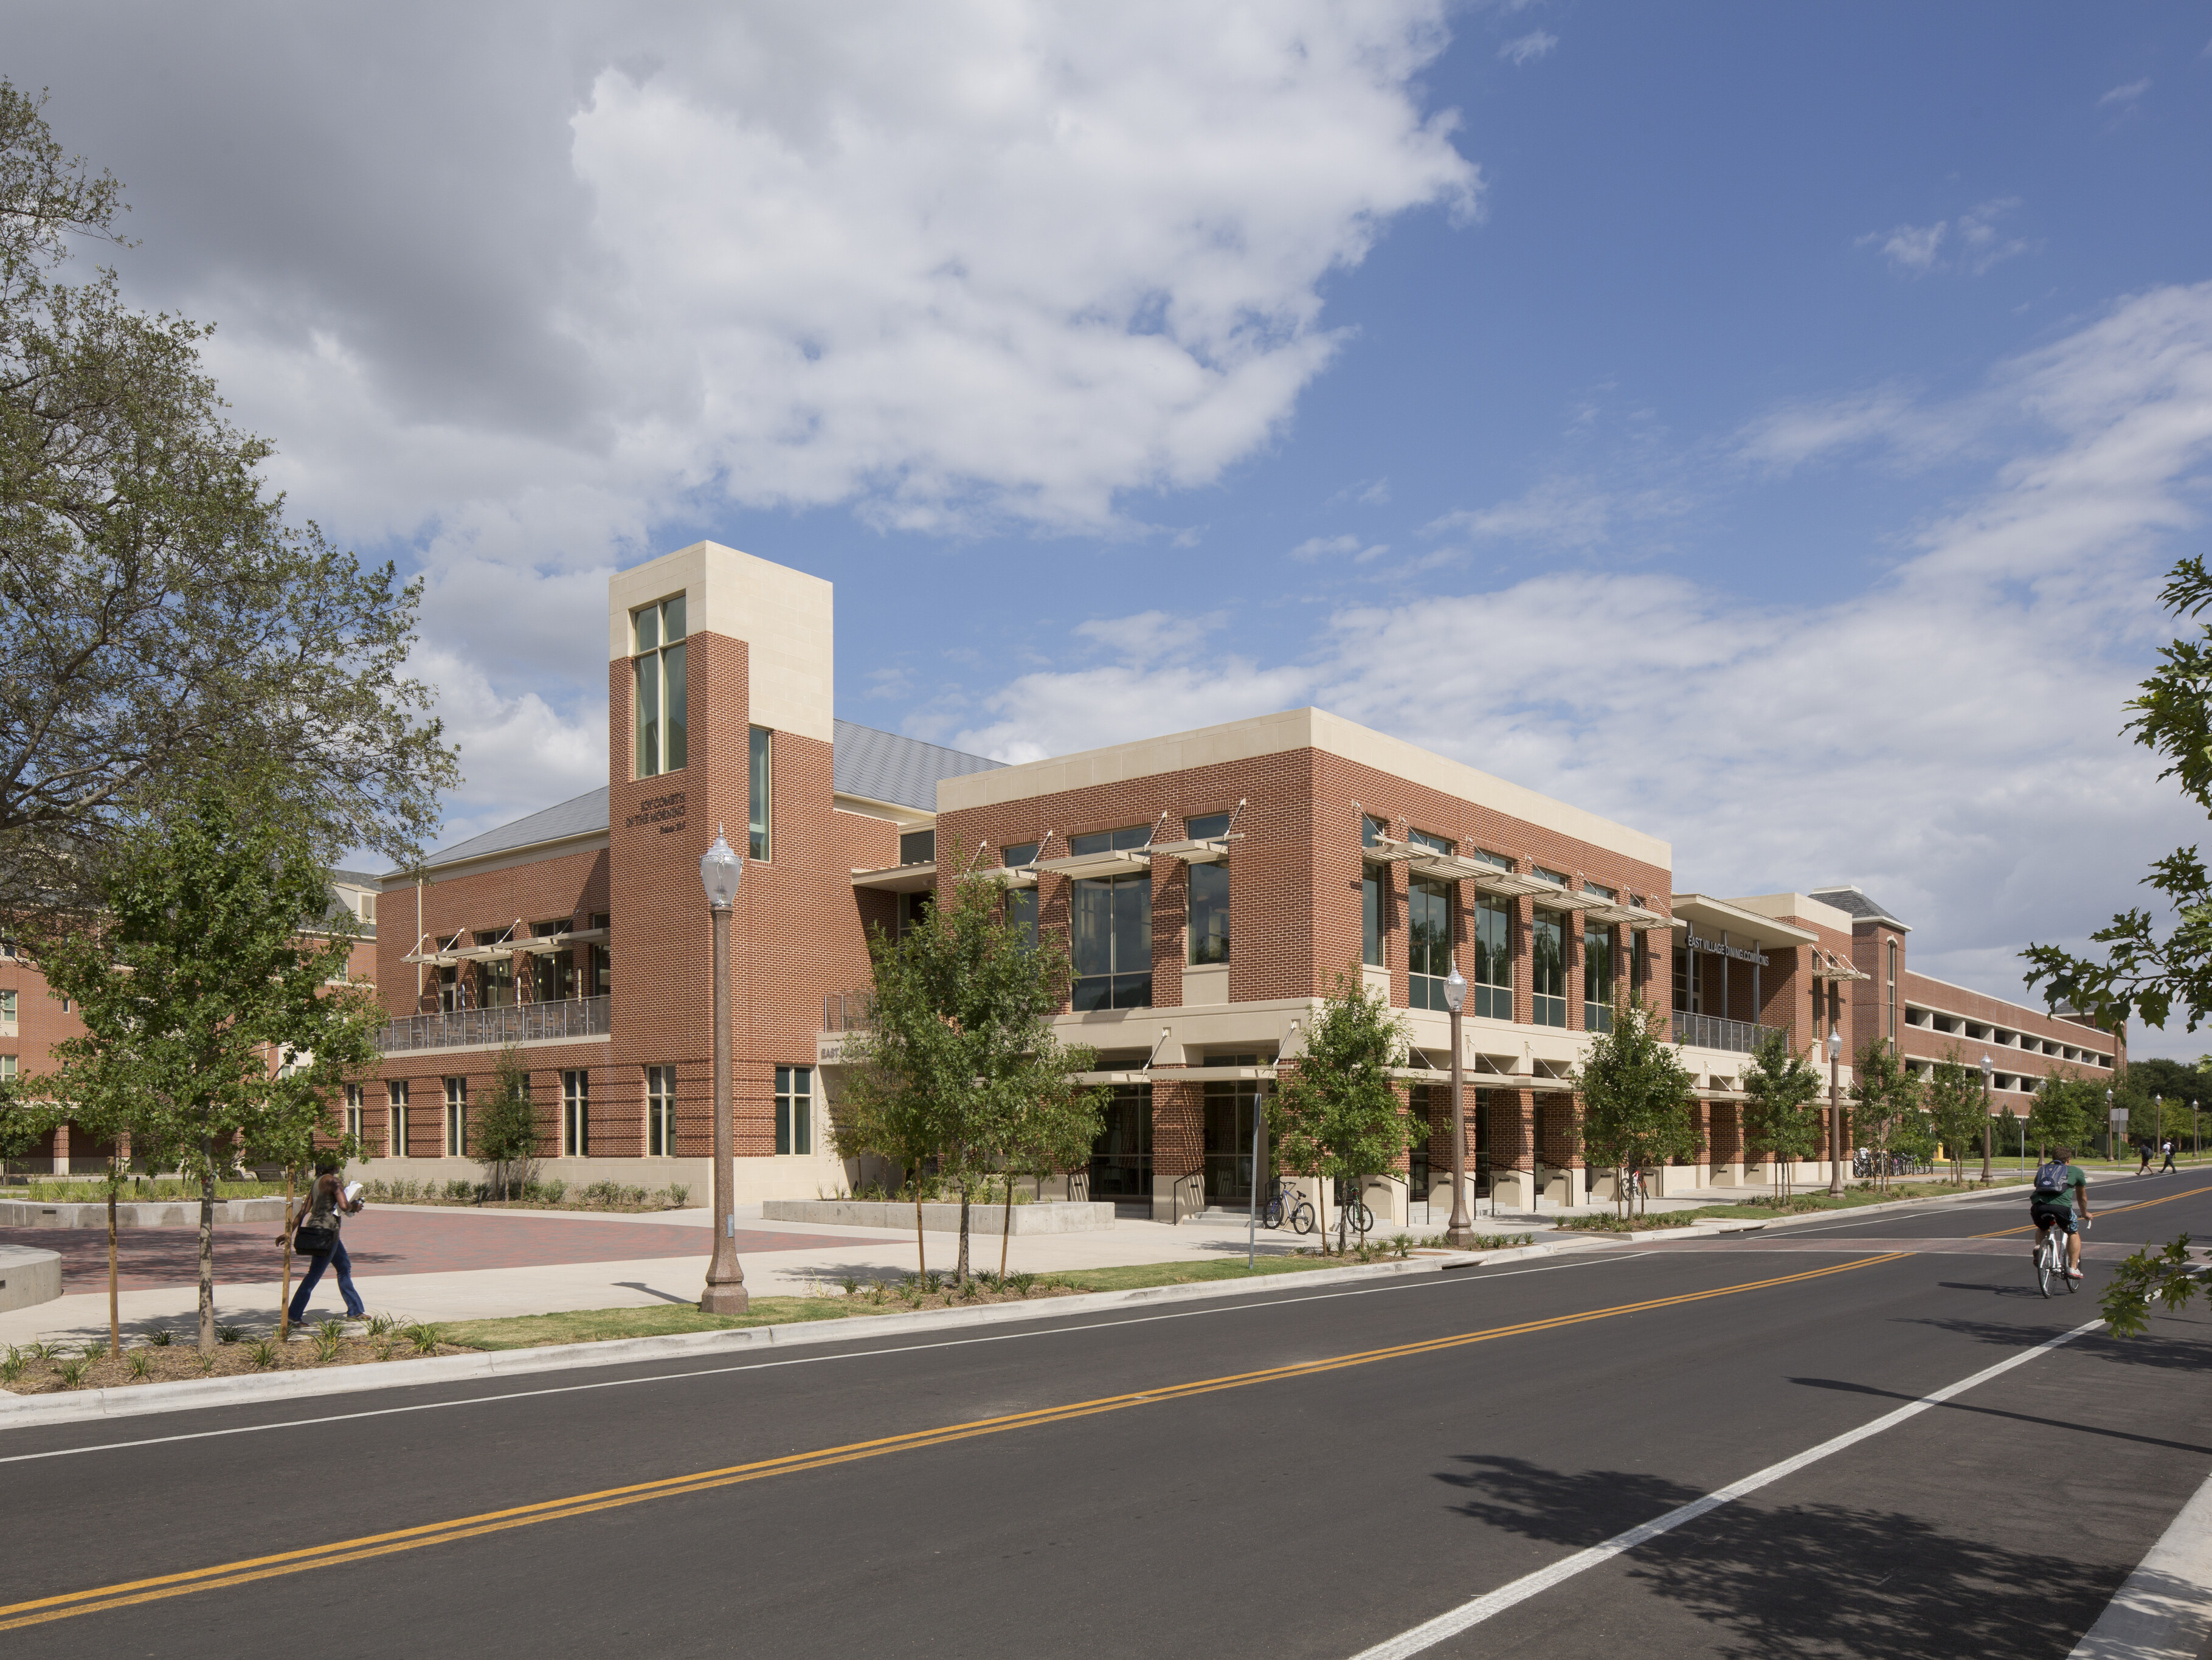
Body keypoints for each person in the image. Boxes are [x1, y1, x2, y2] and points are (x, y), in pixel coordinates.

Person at [282, 1160, 366, 1324]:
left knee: (344, 1267)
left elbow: (304, 1209)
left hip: (318, 1230)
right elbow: (344, 1205)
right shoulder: (334, 1181)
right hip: (328, 1233)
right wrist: (354, 1206)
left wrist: (288, 1233)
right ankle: (293, 1314)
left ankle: (355, 1310)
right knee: (314, 1275)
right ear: (334, 1166)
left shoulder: (318, 1181)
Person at [2028, 1145, 2090, 1281]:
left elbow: (2038, 1186)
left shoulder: (2043, 1169)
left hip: (2038, 1207)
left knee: (2043, 1227)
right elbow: (2082, 1198)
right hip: (2061, 1209)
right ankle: (2073, 1268)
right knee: (2073, 1231)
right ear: (2069, 1159)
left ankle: (2040, 1249)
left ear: (2053, 1158)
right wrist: (2085, 1213)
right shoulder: (2075, 1171)